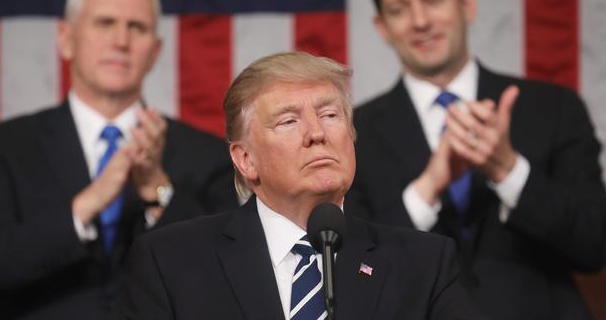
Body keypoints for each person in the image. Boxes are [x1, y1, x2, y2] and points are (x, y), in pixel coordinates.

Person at [0, 0, 237, 320]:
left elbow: (226, 277)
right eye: (105, 23)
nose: (120, 40)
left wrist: (158, 190)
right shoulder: (1, 148)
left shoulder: (209, 154)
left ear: (154, 51)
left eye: (136, 27)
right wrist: (85, 207)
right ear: (65, 38)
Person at [123, 51, 484, 320]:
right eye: (288, 121)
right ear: (245, 159)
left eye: (330, 115)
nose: (317, 133)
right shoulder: (171, 262)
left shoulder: (426, 264)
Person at [346, 0, 606, 319]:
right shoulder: (352, 134)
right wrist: (428, 187)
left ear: (466, 3)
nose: (420, 21)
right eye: (399, 9)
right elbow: (354, 271)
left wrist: (508, 170)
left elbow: (593, 246)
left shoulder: (554, 107)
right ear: (382, 27)